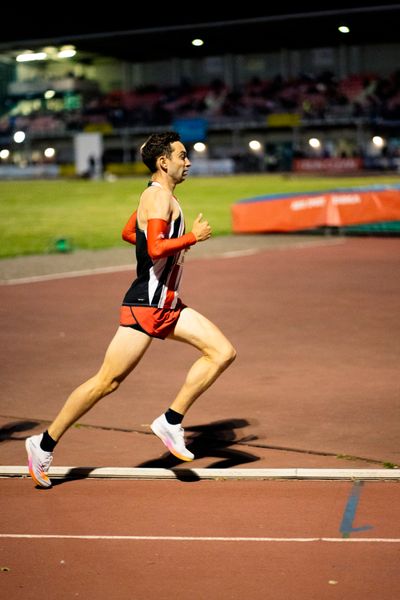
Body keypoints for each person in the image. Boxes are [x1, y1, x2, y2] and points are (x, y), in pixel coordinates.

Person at [25, 131, 236, 488]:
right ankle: (42, 444)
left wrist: (170, 245)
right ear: (162, 162)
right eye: (182, 156)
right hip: (146, 304)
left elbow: (130, 232)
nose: (188, 161)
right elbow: (154, 249)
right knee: (106, 382)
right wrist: (189, 239)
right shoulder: (157, 199)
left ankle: (170, 420)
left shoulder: (160, 198)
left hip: (165, 301)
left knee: (222, 352)